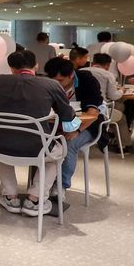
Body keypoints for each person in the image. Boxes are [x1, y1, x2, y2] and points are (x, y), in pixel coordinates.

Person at [0, 50, 81, 217]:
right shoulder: (51, 84)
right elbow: (67, 116)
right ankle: (35, 199)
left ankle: (10, 196)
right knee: (58, 152)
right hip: (37, 148)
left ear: (12, 68)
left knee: (0, 142)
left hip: (0, 146)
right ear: (36, 65)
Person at [44, 58, 104, 191]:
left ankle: (61, 185)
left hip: (87, 125)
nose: (56, 84)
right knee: (42, 140)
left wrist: (77, 131)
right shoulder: (48, 83)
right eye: (53, 80)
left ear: (71, 75)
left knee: (68, 143)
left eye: (60, 80)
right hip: (56, 123)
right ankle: (41, 184)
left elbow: (93, 113)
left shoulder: (87, 81)